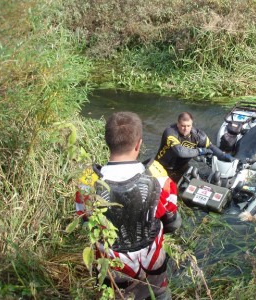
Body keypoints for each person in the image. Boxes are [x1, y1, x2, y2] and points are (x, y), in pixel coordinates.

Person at [75, 111, 181, 300]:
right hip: (153, 263)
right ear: (139, 143)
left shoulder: (87, 182)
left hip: (114, 268)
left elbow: (85, 223)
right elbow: (173, 222)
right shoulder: (159, 175)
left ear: (108, 142)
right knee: (160, 295)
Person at [155, 112, 234, 183]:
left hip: (181, 167)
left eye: (188, 126)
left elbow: (211, 147)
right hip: (162, 166)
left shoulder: (198, 136)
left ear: (192, 124)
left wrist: (224, 157)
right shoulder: (170, 132)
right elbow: (180, 152)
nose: (186, 129)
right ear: (178, 124)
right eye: (183, 126)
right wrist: (200, 151)